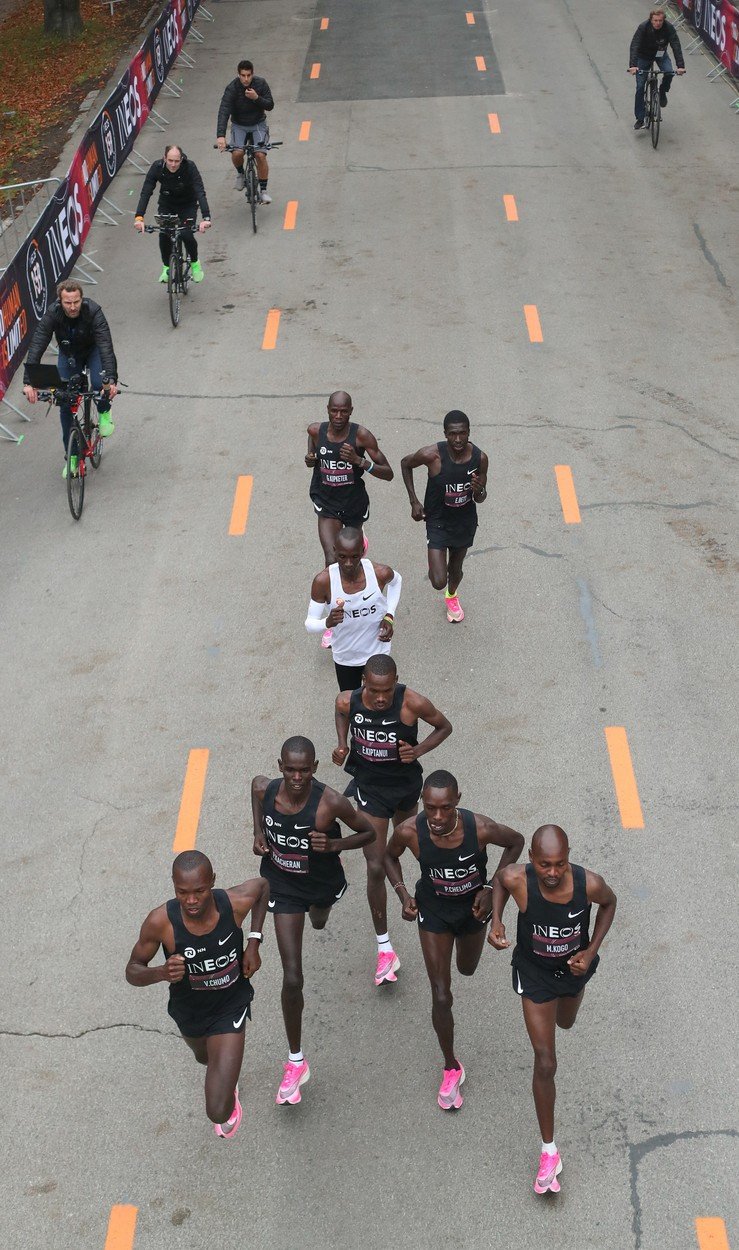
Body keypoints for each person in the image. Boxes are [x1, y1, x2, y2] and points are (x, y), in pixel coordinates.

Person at [488, 825, 617, 1193]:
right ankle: (549, 1152)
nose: (552, 872)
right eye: (545, 864)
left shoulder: (588, 884)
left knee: (567, 1022)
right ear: (531, 859)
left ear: (569, 857)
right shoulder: (518, 878)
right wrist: (496, 921)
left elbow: (610, 903)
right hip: (535, 974)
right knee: (546, 1061)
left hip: (573, 971)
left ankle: (571, 996)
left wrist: (590, 950)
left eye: (560, 864)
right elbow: (498, 880)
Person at [384, 770, 524, 1108]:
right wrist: (403, 894)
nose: (436, 816)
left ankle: (466, 953)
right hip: (433, 913)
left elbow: (516, 842)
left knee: (467, 969)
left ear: (457, 802)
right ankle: (451, 1067)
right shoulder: (409, 832)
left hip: (473, 913)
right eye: (430, 808)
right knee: (442, 994)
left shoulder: (481, 828)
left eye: (445, 808)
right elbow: (388, 856)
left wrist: (492, 888)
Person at [251, 736, 375, 1104]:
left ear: (315, 769)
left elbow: (367, 831)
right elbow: (253, 789)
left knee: (318, 922)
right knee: (292, 975)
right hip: (282, 885)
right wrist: (258, 831)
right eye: (290, 769)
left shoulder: (330, 803)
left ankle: (321, 913)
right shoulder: (267, 788)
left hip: (321, 885)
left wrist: (334, 846)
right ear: (280, 766)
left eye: (304, 770)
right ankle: (295, 1060)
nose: (296, 777)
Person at [125, 851, 268, 1139]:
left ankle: (228, 1086)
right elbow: (132, 971)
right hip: (189, 1012)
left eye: (200, 891)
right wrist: (161, 972)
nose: (191, 901)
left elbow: (263, 887)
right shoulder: (160, 922)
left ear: (212, 883)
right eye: (182, 892)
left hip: (231, 1006)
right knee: (204, 1059)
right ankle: (225, 1077)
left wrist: (254, 942)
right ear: (174, 887)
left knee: (217, 1110)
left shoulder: (234, 904)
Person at [333, 654, 452, 985]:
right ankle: (385, 948)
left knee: (410, 845)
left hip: (405, 787)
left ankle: (436, 897)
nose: (381, 697)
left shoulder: (411, 702)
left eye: (387, 690)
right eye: (374, 690)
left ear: (397, 681)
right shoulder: (349, 699)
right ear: (363, 684)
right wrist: (343, 744)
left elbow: (444, 726)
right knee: (375, 864)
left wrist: (418, 751)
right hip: (370, 788)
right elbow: (341, 713)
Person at [306, 390, 394, 647]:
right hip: (327, 503)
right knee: (333, 559)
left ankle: (358, 546)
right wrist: (310, 458)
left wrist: (359, 461)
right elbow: (311, 453)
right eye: (334, 411)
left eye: (344, 411)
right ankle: (334, 622)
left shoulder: (361, 436)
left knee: (352, 561)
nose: (338, 416)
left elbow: (388, 473)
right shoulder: (315, 431)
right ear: (327, 409)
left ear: (351, 411)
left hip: (354, 505)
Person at [22, 279, 118, 476]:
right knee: (66, 402)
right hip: (69, 355)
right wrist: (28, 382)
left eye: (76, 301)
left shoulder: (93, 311)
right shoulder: (52, 313)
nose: (73, 307)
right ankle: (72, 457)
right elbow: (38, 343)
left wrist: (111, 378)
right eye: (68, 302)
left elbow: (106, 346)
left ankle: (104, 413)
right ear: (60, 301)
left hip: (92, 351)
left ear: (81, 298)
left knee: (101, 384)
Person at [401, 410, 488, 624]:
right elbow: (405, 464)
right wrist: (414, 501)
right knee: (438, 580)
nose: (457, 439)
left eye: (462, 433)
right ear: (445, 434)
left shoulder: (480, 458)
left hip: (464, 522)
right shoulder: (432, 455)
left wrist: (479, 490)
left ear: (469, 433)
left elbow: (481, 498)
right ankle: (436, 563)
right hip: (437, 520)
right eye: (452, 434)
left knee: (455, 569)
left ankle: (452, 596)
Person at [305, 527, 402, 690]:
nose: (348, 563)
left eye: (354, 557)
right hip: (346, 657)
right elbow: (309, 624)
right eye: (342, 557)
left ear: (363, 551)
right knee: (350, 704)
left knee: (380, 702)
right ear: (335, 551)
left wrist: (389, 616)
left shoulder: (379, 573)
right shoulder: (323, 581)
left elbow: (397, 581)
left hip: (377, 652)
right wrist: (327, 622)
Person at [134, 144, 211, 283]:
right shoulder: (157, 167)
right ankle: (166, 267)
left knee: (186, 234)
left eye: (176, 161)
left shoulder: (190, 167)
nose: (173, 164)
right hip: (167, 204)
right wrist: (139, 217)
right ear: (164, 158)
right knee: (164, 234)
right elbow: (146, 192)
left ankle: (195, 263)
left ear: (181, 159)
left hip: (188, 205)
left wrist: (206, 217)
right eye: (170, 161)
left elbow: (200, 191)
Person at [216, 59, 275, 202]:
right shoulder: (232, 88)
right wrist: (221, 136)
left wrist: (256, 98)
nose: (246, 79)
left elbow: (270, 105)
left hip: (258, 124)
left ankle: (264, 190)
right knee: (237, 152)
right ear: (238, 75)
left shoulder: (261, 84)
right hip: (239, 125)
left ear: (253, 74)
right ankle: (241, 174)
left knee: (260, 155)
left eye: (249, 75)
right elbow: (224, 110)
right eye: (243, 75)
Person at [629, 8, 685, 129]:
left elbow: (676, 45)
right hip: (643, 56)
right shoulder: (643, 27)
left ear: (663, 20)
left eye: (660, 20)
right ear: (651, 19)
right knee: (640, 87)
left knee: (669, 73)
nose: (658, 23)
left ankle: (663, 91)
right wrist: (633, 65)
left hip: (660, 54)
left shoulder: (668, 28)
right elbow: (635, 45)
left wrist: (680, 66)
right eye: (655, 20)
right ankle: (640, 118)